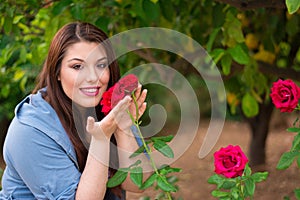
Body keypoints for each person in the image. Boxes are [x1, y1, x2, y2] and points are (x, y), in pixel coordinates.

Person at [0, 22, 148, 200]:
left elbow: (139, 184)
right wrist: (100, 139)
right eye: (77, 67)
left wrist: (123, 128)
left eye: (101, 65)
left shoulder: (106, 109)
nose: (93, 77)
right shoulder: (30, 129)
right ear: (57, 72)